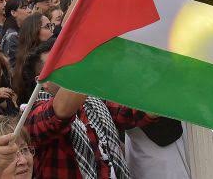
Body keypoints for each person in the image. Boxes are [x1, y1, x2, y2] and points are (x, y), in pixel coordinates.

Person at [24, 37, 158, 179]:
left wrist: (162, 97)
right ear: (43, 81)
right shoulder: (32, 115)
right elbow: (61, 110)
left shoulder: (93, 100)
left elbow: (132, 111)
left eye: (68, 60)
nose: (70, 66)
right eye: (60, 65)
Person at [12, 13, 54, 104]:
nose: (52, 30)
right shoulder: (28, 62)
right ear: (34, 32)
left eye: (51, 25)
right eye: (47, 26)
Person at [1, 0, 31, 68]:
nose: (29, 10)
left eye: (28, 7)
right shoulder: (12, 36)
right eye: (24, 8)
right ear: (13, 13)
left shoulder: (24, 31)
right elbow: (13, 66)